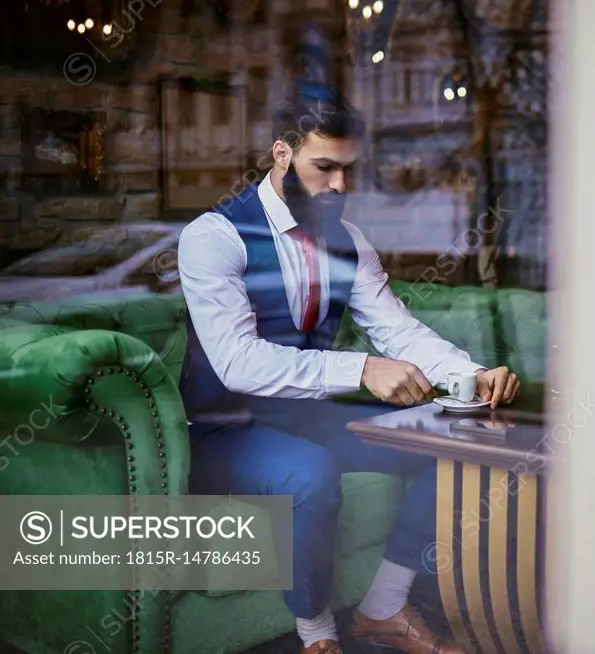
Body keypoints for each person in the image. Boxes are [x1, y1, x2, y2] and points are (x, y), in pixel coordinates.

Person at [176, 86, 520, 654]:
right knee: (309, 474)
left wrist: (472, 373)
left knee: (454, 445)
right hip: (223, 429)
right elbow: (237, 363)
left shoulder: (348, 241)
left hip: (306, 416)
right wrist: (362, 370)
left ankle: (383, 606)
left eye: (347, 170)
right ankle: (316, 635)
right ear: (281, 154)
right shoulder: (213, 237)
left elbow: (398, 331)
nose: (339, 186)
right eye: (324, 167)